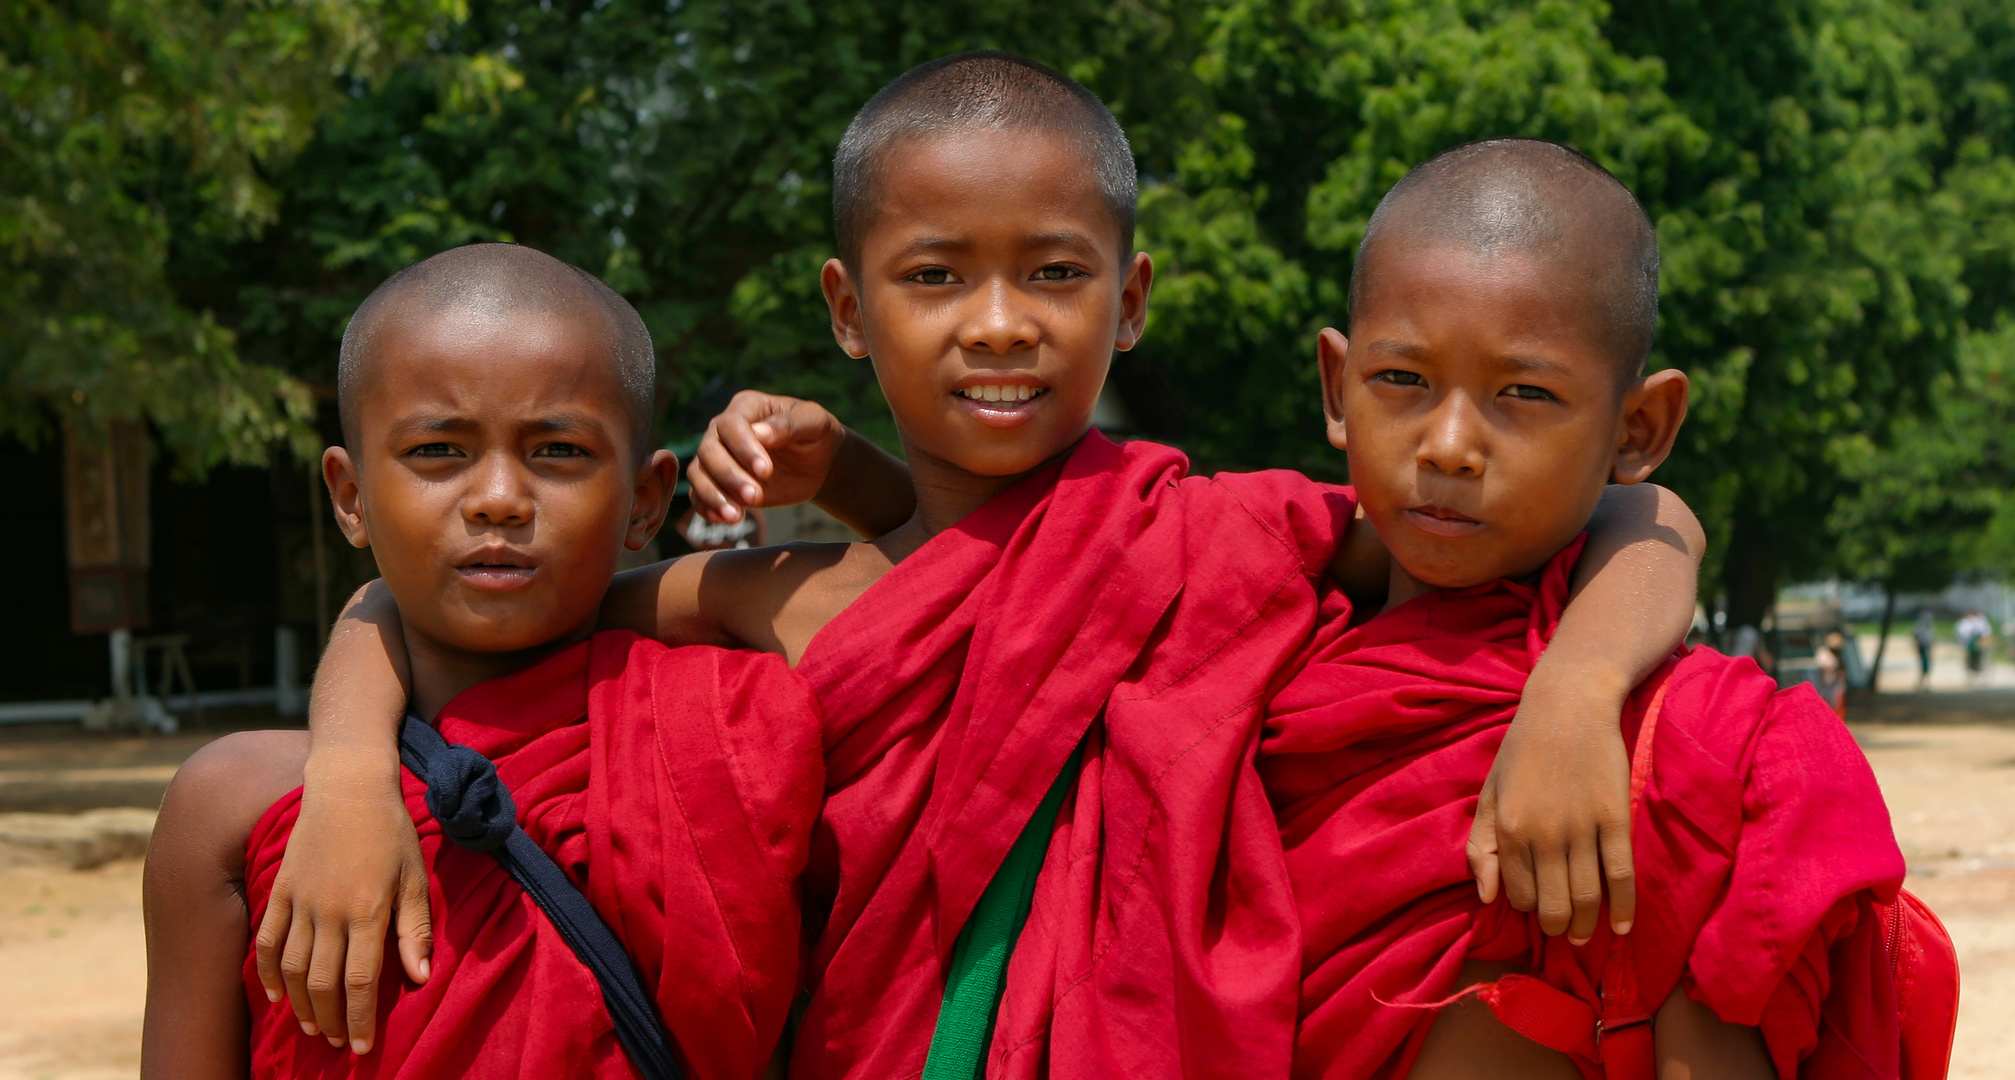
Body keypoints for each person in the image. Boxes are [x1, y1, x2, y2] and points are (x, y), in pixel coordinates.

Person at [257, 54, 1707, 1080]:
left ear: (1129, 298)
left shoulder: (1220, 533)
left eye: (1054, 274)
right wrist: (337, 772)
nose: (998, 325)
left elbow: (1646, 526)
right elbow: (436, 606)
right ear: (846, 306)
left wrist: (1574, 696)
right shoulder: (777, 590)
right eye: (936, 275)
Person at [1259, 138, 1928, 1079]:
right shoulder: (1254, 643)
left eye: (1524, 393)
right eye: (1402, 380)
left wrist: (1576, 690)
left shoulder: (1683, 752)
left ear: (1639, 427)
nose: (1449, 446)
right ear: (1336, 385)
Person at [140, 244, 828, 1079]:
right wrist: (351, 772)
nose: (499, 496)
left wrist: (843, 472)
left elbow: (958, 583)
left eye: (559, 451)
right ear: (350, 496)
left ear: (647, 499)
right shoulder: (237, 802)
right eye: (437, 451)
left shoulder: (730, 727)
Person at [1956, 609, 1989, 684]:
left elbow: (1984, 632)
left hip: (1977, 643)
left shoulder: (1979, 622)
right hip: (1968, 643)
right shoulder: (1965, 623)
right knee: (1968, 658)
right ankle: (1970, 673)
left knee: (1978, 657)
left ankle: (1977, 671)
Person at [1913, 610, 1935, 690]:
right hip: (1922, 646)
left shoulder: (1929, 626)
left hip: (1927, 646)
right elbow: (1916, 636)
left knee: (1927, 664)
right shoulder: (1920, 625)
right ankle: (1922, 682)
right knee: (1923, 664)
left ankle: (1926, 682)